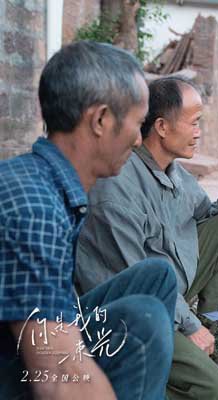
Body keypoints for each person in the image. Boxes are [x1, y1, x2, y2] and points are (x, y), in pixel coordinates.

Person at [0, 41, 177, 400]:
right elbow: (57, 377)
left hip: (30, 340)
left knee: (157, 277)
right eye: (139, 124)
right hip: (18, 366)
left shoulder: (45, 181)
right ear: (100, 120)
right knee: (142, 325)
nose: (139, 139)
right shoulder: (36, 210)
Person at [75, 76, 218, 400]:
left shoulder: (175, 173)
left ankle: (208, 322)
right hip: (129, 307)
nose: (199, 132)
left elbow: (207, 215)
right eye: (194, 123)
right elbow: (138, 277)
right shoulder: (118, 187)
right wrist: (188, 327)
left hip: (167, 292)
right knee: (213, 389)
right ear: (161, 126)